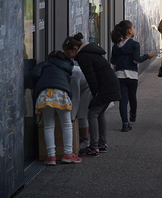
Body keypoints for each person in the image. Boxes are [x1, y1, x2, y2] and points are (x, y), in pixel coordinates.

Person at [31, 34, 84, 165]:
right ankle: (67, 154)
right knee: (67, 124)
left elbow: (34, 74)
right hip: (61, 94)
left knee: (48, 125)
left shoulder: (44, 64)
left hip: (45, 94)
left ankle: (51, 157)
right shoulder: (68, 67)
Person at [76, 33, 121, 156]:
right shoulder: (91, 52)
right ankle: (102, 143)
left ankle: (94, 146)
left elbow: (91, 78)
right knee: (99, 113)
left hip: (105, 88)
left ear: (74, 49)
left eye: (68, 53)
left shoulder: (83, 57)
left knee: (92, 113)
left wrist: (95, 94)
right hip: (111, 85)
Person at [110, 19, 155, 132]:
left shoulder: (115, 46)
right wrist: (147, 56)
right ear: (129, 31)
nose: (134, 30)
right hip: (132, 75)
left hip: (119, 75)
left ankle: (125, 124)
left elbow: (113, 61)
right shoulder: (135, 44)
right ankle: (133, 114)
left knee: (123, 100)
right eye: (133, 28)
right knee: (132, 97)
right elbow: (136, 60)